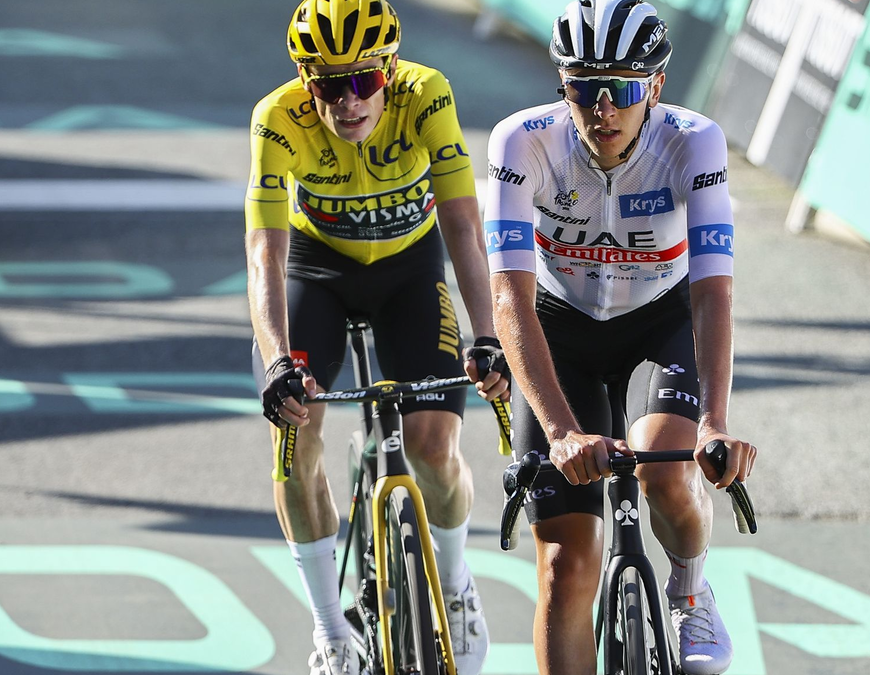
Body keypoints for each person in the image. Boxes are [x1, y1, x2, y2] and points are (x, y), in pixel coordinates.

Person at [480, 1, 758, 674]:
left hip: (656, 324)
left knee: (668, 470)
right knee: (565, 567)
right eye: (584, 87)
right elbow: (509, 297)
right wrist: (559, 430)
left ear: (656, 87)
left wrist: (715, 422)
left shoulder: (695, 142)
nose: (603, 108)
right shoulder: (523, 143)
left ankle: (691, 591)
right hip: (559, 330)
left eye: (624, 89)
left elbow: (712, 289)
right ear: (562, 86)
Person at [245, 2, 507, 674]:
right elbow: (264, 252)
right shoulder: (276, 119)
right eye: (330, 83)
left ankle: (452, 584)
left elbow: (464, 227)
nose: (350, 99)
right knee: (296, 435)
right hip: (318, 273)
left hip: (408, 272)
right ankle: (332, 629)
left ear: (391, 69)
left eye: (364, 79)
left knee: (432, 442)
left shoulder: (427, 95)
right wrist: (278, 359)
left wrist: (488, 333)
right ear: (306, 81)